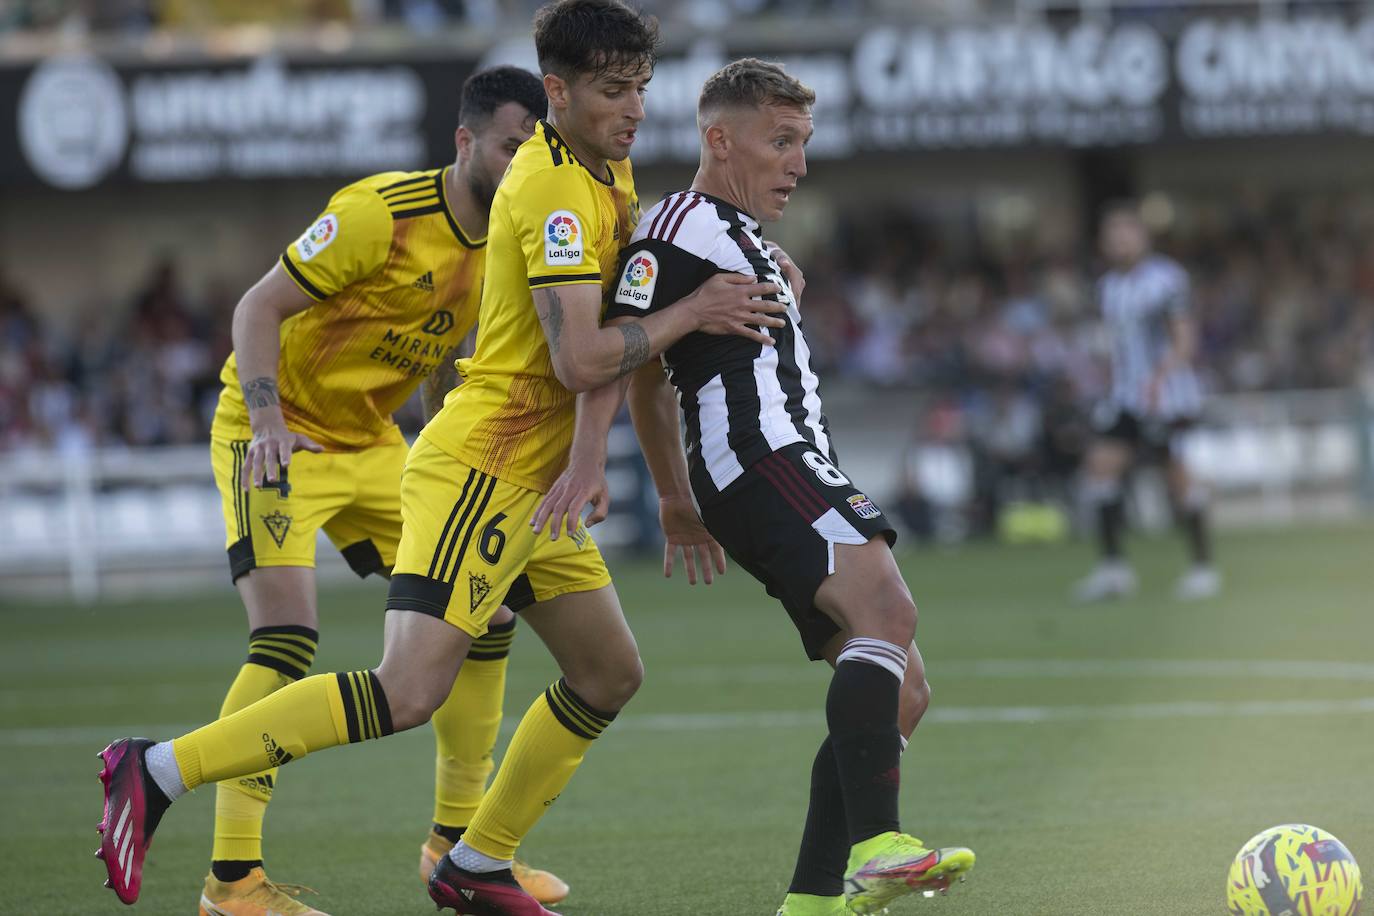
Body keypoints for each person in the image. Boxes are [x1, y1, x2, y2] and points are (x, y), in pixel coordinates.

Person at [95, 3, 786, 914]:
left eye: (642, 90)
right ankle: (155, 773)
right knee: (402, 686)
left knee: (609, 671)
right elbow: (586, 357)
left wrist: (620, 467)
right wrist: (694, 315)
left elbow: (616, 331)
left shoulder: (608, 168)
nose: (634, 110)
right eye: (615, 91)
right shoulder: (537, 192)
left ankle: (473, 860)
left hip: (515, 475)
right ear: (555, 92)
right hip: (476, 466)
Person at [533, 58, 975, 916]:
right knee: (886, 612)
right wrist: (596, 463)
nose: (798, 164)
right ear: (717, 139)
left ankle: (810, 901)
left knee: (902, 689)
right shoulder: (674, 228)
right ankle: (879, 847)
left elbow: (657, 379)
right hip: (761, 457)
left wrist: (673, 495)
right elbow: (618, 359)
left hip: (786, 461)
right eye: (780, 141)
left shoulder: (741, 241)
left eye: (803, 143)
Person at [196, 65, 568, 916]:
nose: (522, 163)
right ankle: (233, 884)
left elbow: (439, 349)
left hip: (374, 441)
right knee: (286, 639)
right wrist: (265, 425)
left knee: (489, 613)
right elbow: (257, 309)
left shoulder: (505, 238)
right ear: (466, 141)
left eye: (533, 148)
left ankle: (455, 848)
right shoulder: (379, 212)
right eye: (512, 144)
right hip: (274, 430)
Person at [1072, 203, 1220, 602]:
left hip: (1164, 397)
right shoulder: (1106, 287)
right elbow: (1112, 347)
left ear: (1143, 237)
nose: (1120, 240)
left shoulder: (1167, 280)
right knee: (1100, 470)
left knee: (1176, 478)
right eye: (1113, 233)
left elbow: (1184, 337)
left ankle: (1203, 569)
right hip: (1124, 397)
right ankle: (1114, 570)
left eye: (1127, 232)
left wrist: (1162, 376)